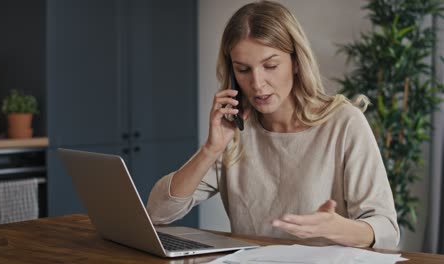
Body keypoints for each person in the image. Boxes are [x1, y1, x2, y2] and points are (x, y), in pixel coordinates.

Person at [146, 0, 399, 249]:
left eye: (270, 66)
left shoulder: (344, 123)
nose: (257, 83)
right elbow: (158, 213)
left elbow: (387, 230)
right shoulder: (235, 131)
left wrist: (339, 229)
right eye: (243, 70)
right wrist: (211, 149)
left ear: (296, 62)